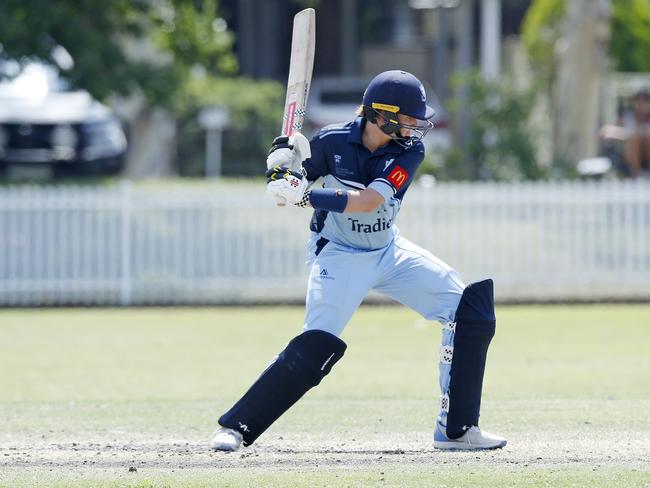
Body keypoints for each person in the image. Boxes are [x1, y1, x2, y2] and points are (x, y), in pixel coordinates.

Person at [210, 70, 507, 452]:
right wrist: (280, 166)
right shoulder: (331, 141)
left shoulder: (408, 150)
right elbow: (295, 177)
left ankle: (456, 430)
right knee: (316, 344)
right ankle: (237, 427)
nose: (417, 126)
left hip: (387, 251)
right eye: (409, 118)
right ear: (381, 116)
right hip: (339, 254)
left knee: (470, 311)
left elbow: (369, 201)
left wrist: (306, 197)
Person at [600, 88, 650, 177]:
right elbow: (606, 131)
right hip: (629, 155)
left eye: (645, 100)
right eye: (638, 100)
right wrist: (627, 135)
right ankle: (636, 175)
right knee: (635, 139)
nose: (641, 104)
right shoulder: (626, 117)